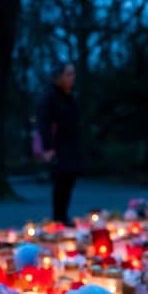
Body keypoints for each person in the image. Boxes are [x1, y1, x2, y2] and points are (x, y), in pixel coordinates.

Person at [37, 63, 81, 224]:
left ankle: (63, 216)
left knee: (69, 181)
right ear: (59, 77)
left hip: (70, 145)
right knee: (61, 182)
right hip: (58, 147)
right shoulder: (50, 97)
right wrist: (48, 147)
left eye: (73, 74)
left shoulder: (69, 97)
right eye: (69, 74)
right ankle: (58, 217)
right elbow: (44, 123)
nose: (72, 77)